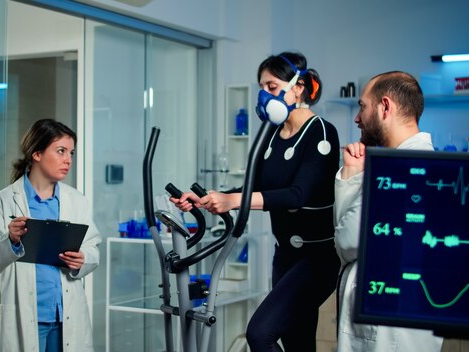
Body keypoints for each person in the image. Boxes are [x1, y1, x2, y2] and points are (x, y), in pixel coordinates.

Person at [171, 52, 341, 351]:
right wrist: (204, 199)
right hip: (284, 257)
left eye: (272, 87)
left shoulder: (322, 131)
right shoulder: (272, 134)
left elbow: (297, 195)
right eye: (261, 88)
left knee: (259, 333)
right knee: (297, 342)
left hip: (315, 260)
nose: (264, 95)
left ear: (298, 88)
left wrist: (233, 200)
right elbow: (254, 186)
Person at [333, 71, 443, 351]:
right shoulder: (422, 163)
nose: (357, 118)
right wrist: (353, 175)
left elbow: (346, 242)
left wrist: (351, 178)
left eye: (362, 106)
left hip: (386, 329)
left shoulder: (402, 170)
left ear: (385, 107)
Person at [0, 119, 101, 352]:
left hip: (66, 316)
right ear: (37, 154)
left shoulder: (76, 201)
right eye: (61, 151)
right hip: (28, 313)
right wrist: (11, 241)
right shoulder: (3, 201)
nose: (68, 160)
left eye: (71, 153)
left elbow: (93, 248)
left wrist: (83, 258)